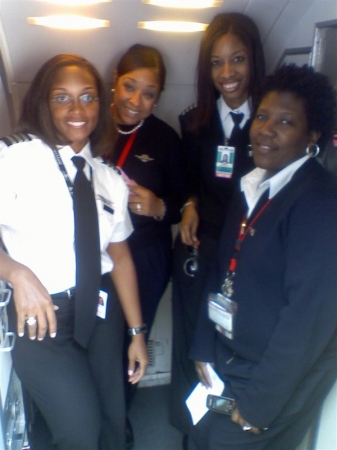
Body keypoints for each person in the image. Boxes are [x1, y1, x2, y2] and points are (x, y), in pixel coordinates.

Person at [0, 54, 148, 450]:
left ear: (102, 103)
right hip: (42, 317)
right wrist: (16, 273)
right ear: (43, 104)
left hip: (101, 312)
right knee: (80, 429)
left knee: (112, 421)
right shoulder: (14, 159)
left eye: (87, 97)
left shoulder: (109, 177)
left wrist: (137, 333)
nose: (77, 110)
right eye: (61, 98)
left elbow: (120, 258)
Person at [189, 64, 337, 450]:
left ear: (312, 136)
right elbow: (221, 268)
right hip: (229, 356)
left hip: (271, 377)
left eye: (285, 121)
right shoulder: (254, 183)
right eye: (263, 116)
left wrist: (260, 404)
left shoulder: (319, 203)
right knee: (199, 438)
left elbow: (308, 319)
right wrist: (204, 345)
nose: (265, 129)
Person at [169, 13, 265, 439]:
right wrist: (189, 202)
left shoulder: (271, 121)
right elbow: (189, 179)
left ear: (254, 61)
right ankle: (190, 431)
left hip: (248, 254)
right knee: (192, 339)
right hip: (202, 246)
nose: (227, 73)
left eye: (238, 59)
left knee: (233, 343)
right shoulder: (194, 122)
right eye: (216, 62)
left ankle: (226, 433)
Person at [105, 44, 185, 448]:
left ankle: (120, 419)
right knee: (96, 339)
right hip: (97, 256)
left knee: (131, 343)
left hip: (148, 256)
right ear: (114, 81)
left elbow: (185, 203)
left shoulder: (164, 138)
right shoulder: (89, 123)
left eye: (149, 93)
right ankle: (95, 414)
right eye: (129, 87)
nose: (136, 101)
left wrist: (159, 207)